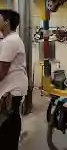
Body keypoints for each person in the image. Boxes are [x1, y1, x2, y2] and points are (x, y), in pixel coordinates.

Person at [0, 9, 28, 150]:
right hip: (12, 86)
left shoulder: (10, 41)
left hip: (12, 88)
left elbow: (1, 72)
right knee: (10, 120)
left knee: (8, 123)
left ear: (6, 22)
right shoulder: (7, 39)